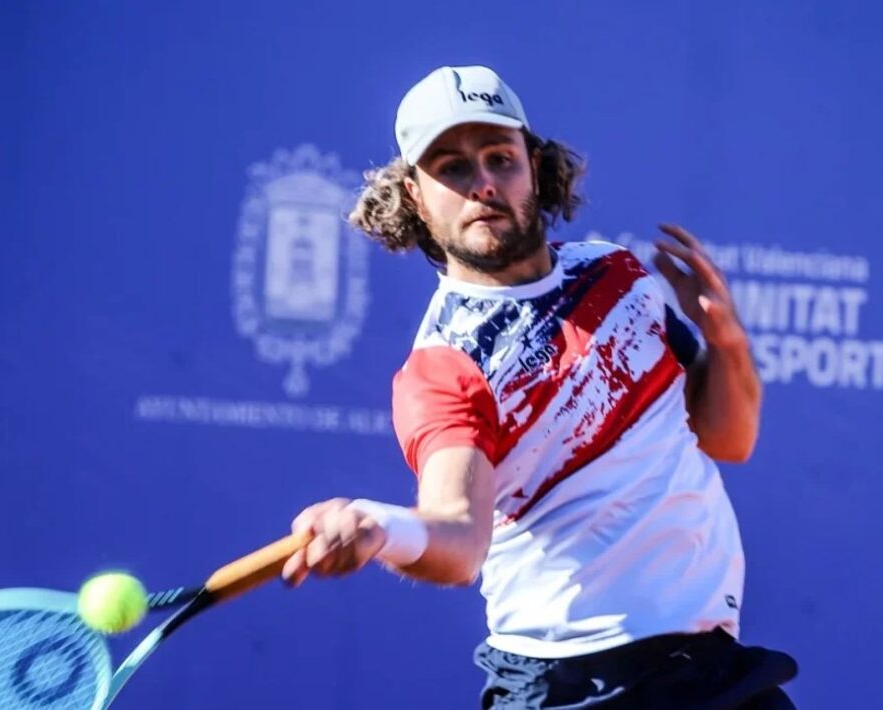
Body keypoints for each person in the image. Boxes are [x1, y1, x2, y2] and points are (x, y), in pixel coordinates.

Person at [281, 65, 798, 708]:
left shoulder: (617, 272)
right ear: (415, 196)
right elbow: (458, 539)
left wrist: (727, 343)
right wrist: (380, 526)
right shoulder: (444, 363)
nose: (483, 184)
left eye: (500, 158)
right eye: (452, 168)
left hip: (712, 669)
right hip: (576, 686)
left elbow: (728, 437)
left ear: (535, 165)